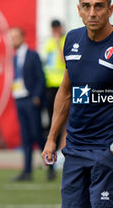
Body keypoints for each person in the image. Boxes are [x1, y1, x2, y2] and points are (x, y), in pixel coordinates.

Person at [42, 0, 113, 208]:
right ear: (78, 10)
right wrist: (52, 138)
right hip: (74, 151)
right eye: (86, 6)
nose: (92, 12)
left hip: (106, 152)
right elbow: (66, 92)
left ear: (110, 10)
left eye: (99, 6)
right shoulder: (71, 40)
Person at [10, 27, 46, 181]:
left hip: (31, 100)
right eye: (11, 37)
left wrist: (36, 97)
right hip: (19, 99)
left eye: (16, 36)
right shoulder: (15, 57)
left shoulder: (32, 55)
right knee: (25, 137)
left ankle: (50, 166)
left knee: (36, 135)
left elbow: (40, 77)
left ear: (23, 37)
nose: (13, 40)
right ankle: (27, 171)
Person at [40, 19, 67, 180]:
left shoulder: (64, 41)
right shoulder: (48, 43)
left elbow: (64, 61)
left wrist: (58, 43)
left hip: (62, 87)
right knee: (52, 124)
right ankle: (51, 162)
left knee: (64, 123)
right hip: (50, 87)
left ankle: (63, 158)